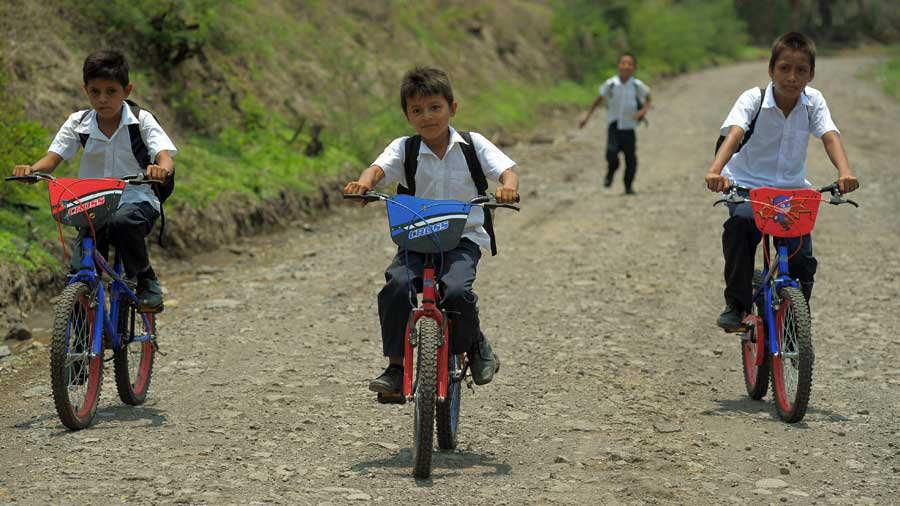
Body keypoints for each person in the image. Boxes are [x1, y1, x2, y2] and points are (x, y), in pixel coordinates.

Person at [343, 67, 519, 394]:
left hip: (461, 238)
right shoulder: (405, 148)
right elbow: (377, 169)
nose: (427, 117)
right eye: (417, 110)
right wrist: (363, 184)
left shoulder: (472, 144)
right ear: (408, 116)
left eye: (435, 107)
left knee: (456, 291)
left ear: (453, 108)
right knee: (396, 286)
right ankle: (396, 368)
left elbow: (505, 170)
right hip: (416, 237)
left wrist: (507, 187)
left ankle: (475, 344)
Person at [705, 32, 859, 332]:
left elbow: (829, 136)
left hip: (791, 192)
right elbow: (735, 132)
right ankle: (736, 305)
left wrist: (844, 171)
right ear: (771, 70)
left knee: (802, 258)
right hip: (749, 188)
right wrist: (716, 171)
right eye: (784, 68)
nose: (792, 77)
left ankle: (794, 321)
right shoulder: (753, 98)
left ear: (811, 74)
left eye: (801, 70)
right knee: (740, 228)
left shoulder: (813, 101)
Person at [11, 50, 176, 312]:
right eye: (95, 91)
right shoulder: (78, 122)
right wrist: (31, 170)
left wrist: (160, 169)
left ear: (127, 89)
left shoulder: (141, 120)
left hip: (136, 199)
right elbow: (52, 159)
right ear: (85, 89)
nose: (102, 99)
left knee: (123, 222)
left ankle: (146, 279)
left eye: (111, 91)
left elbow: (164, 157)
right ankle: (78, 344)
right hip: (92, 203)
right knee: (78, 273)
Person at [579, 52, 652, 195]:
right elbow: (598, 100)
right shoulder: (611, 84)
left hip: (629, 127)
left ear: (634, 67)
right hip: (614, 125)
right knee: (611, 153)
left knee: (631, 159)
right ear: (618, 66)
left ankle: (628, 186)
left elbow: (649, 98)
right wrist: (587, 116)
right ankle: (611, 171)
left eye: (630, 64)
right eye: (623, 63)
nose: (626, 66)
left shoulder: (637, 85)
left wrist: (643, 111)